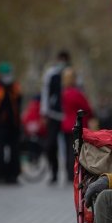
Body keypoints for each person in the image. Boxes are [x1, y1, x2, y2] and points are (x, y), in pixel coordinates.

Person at [0, 61, 22, 184]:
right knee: (2, 150)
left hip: (9, 125)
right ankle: (4, 173)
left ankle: (9, 174)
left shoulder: (12, 87)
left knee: (10, 151)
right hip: (3, 124)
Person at [41, 50, 71, 184]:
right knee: (51, 145)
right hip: (53, 115)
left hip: (68, 116)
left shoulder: (72, 74)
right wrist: (44, 112)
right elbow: (45, 93)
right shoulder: (51, 74)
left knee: (71, 146)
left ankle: (70, 174)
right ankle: (54, 172)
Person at [60, 68, 92, 182]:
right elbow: (87, 108)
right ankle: (75, 173)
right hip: (77, 126)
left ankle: (68, 174)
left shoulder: (63, 94)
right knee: (77, 152)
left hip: (65, 125)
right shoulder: (77, 94)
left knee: (68, 151)